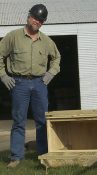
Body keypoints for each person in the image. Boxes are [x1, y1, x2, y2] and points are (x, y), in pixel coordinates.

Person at [0, 4, 61, 168]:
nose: (37, 22)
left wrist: (50, 74)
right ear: (28, 16)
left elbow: (57, 58)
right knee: (19, 120)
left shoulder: (46, 41)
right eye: (35, 17)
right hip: (19, 84)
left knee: (42, 120)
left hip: (40, 83)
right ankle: (16, 157)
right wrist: (3, 75)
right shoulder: (13, 37)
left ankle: (43, 155)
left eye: (41, 20)